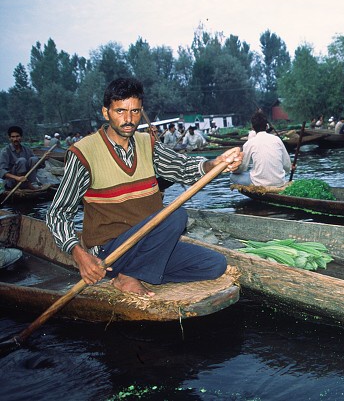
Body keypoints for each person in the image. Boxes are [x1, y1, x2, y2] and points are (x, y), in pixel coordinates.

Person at [45, 77, 243, 297]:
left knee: (214, 264)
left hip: (147, 245)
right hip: (110, 253)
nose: (129, 119)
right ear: (106, 112)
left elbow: (183, 167)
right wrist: (79, 254)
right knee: (175, 216)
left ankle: (133, 273)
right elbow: (58, 213)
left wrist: (214, 164)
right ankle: (128, 274)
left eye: (135, 112)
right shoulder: (84, 152)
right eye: (120, 111)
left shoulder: (146, 143)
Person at [229, 111, 292, 188]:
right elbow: (287, 167)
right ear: (266, 126)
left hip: (259, 184)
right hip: (279, 182)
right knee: (252, 172)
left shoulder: (249, 143)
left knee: (232, 176)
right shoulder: (277, 139)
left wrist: (233, 169)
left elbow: (243, 167)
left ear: (252, 127)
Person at [1, 126, 42, 190]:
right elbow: (2, 171)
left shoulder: (27, 149)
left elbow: (37, 164)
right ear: (9, 138)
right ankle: (20, 185)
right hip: (13, 181)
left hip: (28, 180)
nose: (15, 139)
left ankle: (32, 183)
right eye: (13, 137)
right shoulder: (5, 151)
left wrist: (43, 159)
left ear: (21, 137)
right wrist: (17, 178)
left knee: (34, 159)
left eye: (17, 136)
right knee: (21, 160)